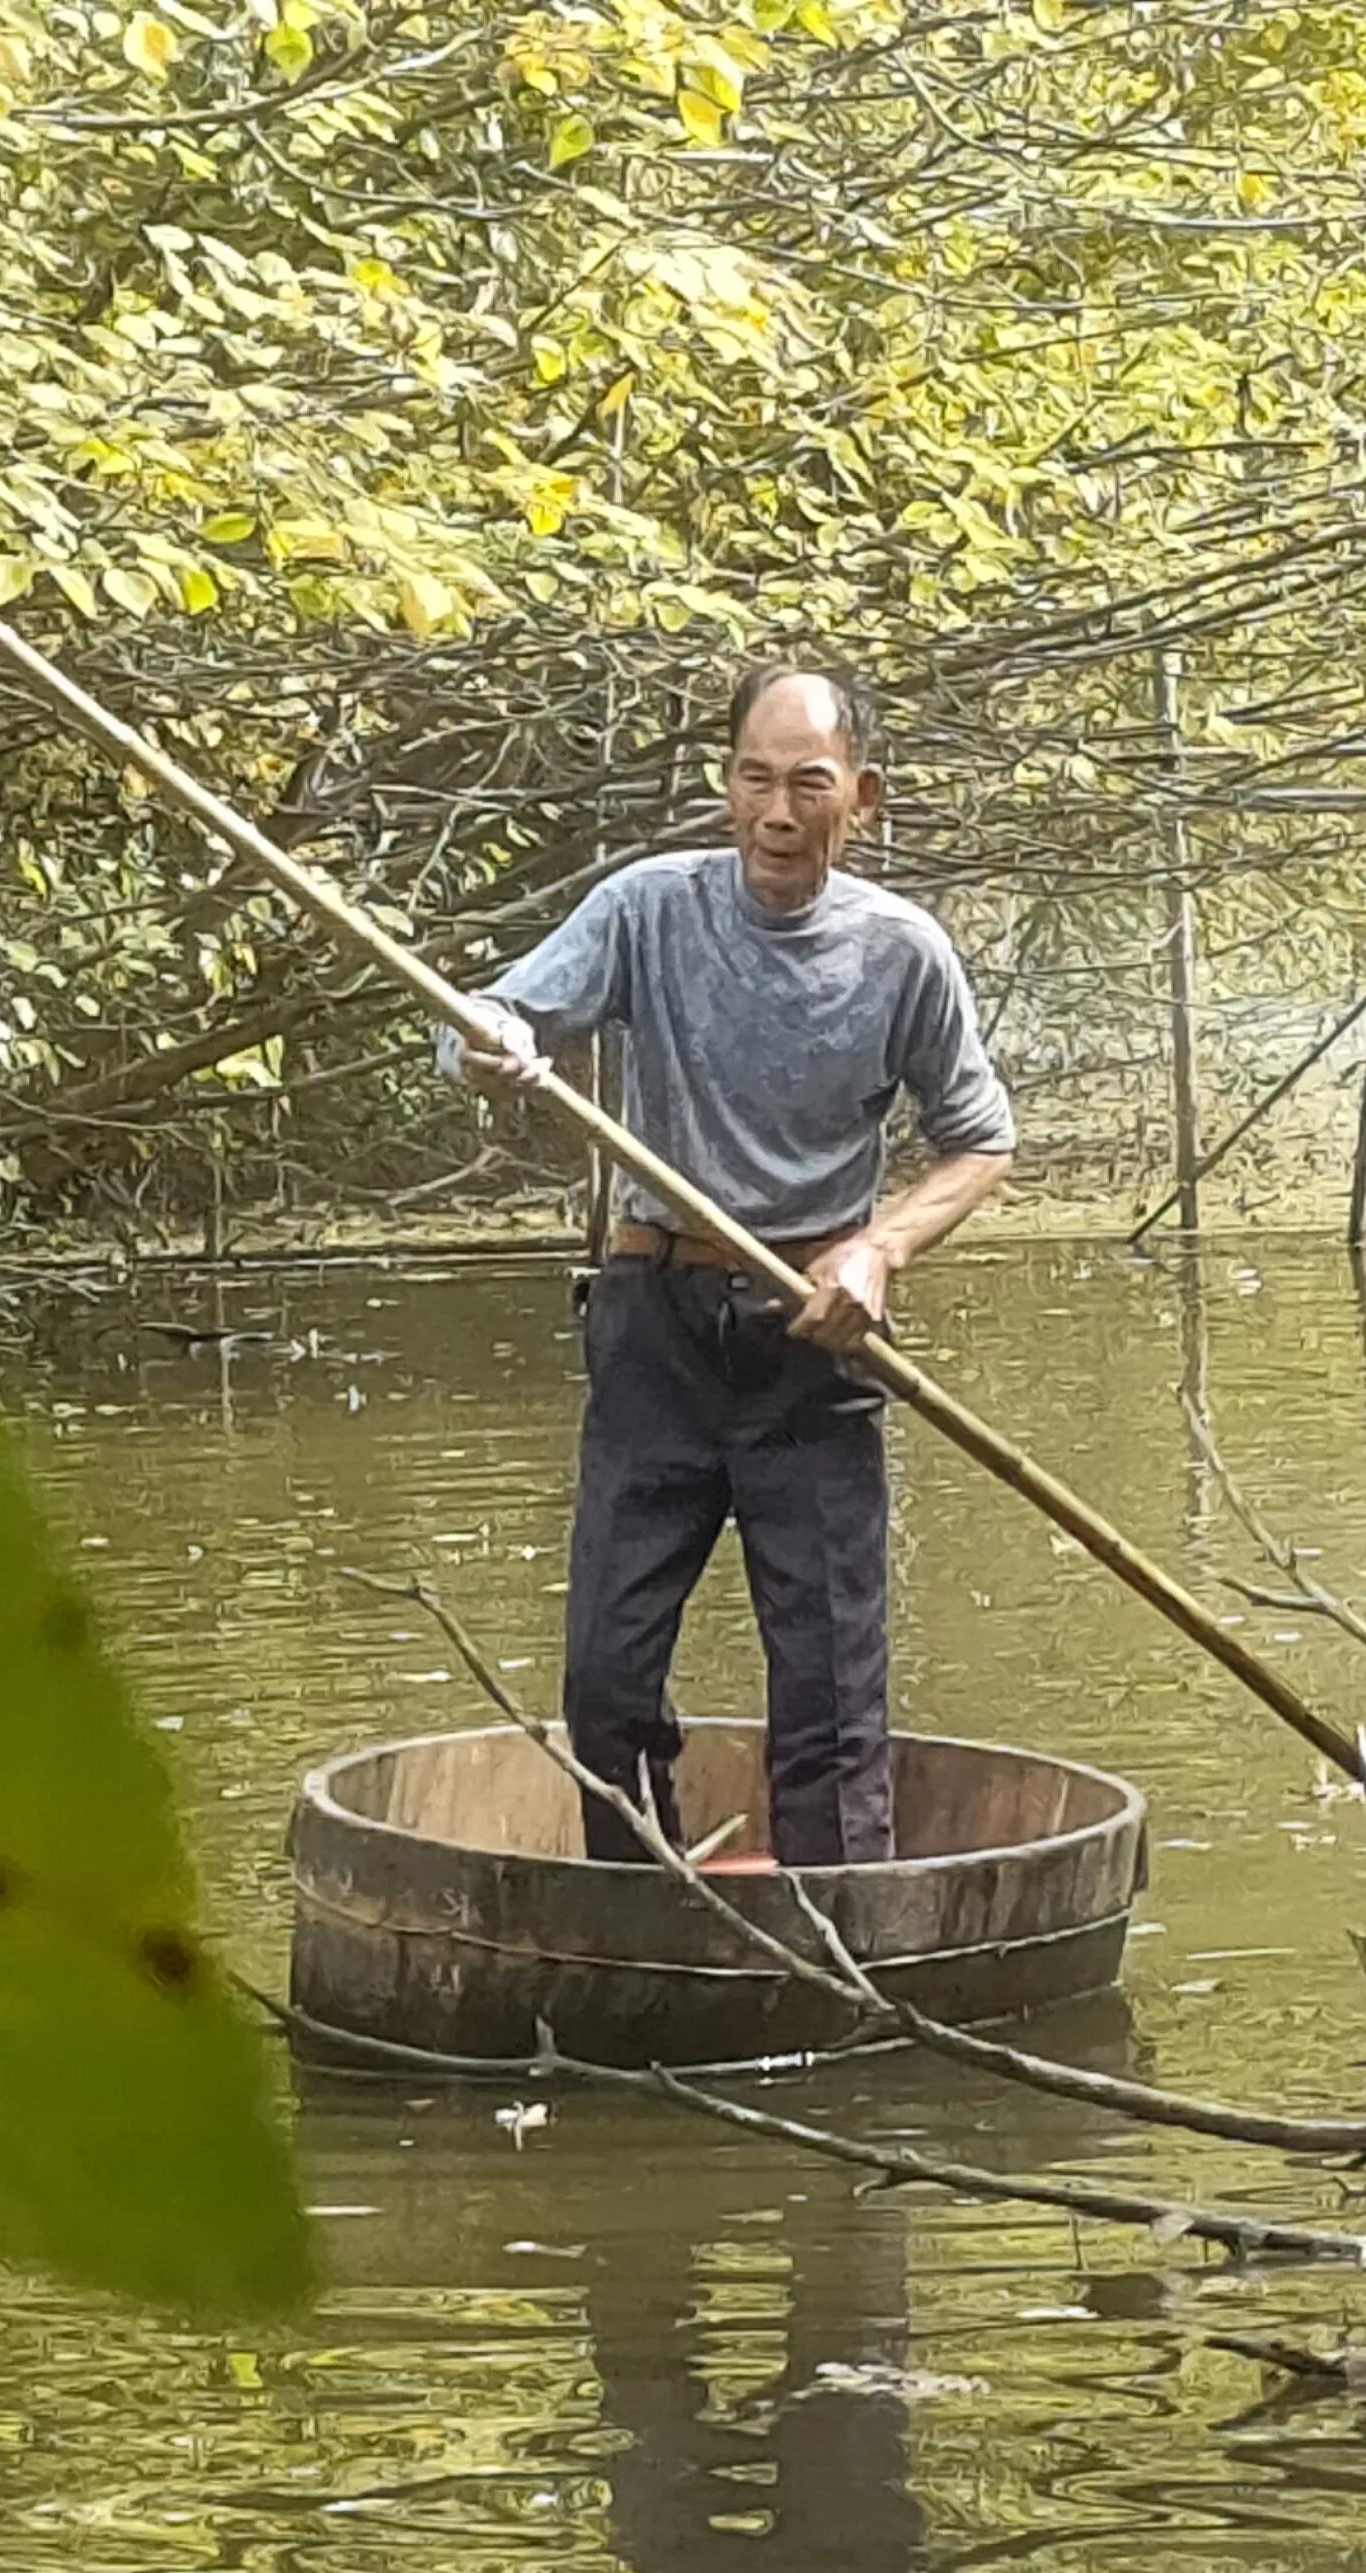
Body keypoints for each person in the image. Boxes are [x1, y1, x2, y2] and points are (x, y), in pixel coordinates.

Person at [446, 659, 1014, 1866]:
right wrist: (490, 1038)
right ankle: (637, 1919)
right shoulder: (648, 908)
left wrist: (877, 1249)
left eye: (807, 785)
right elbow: (496, 1023)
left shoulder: (902, 952)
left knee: (829, 1699)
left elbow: (980, 1144)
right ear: (723, 787)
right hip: (653, 1321)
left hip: (812, 1339)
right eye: (754, 779)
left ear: (857, 798)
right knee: (605, 1676)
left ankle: (839, 1963)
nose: (776, 813)